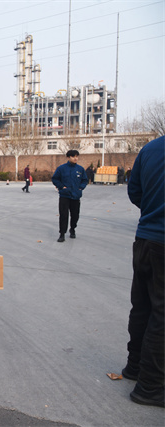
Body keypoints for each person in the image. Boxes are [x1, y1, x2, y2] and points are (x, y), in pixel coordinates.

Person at [122, 135, 164, 408]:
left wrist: (153, 211)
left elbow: (134, 190)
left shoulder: (150, 149)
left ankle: (135, 366)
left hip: (146, 238)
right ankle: (150, 387)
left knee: (143, 307)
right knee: (162, 315)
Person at [51, 150, 88, 242]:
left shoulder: (80, 169)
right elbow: (55, 179)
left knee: (75, 215)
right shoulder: (61, 168)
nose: (75, 158)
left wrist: (80, 188)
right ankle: (62, 233)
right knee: (63, 215)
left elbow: (85, 180)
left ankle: (72, 229)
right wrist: (61, 187)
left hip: (76, 196)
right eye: (73, 156)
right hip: (65, 195)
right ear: (68, 157)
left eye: (76, 156)